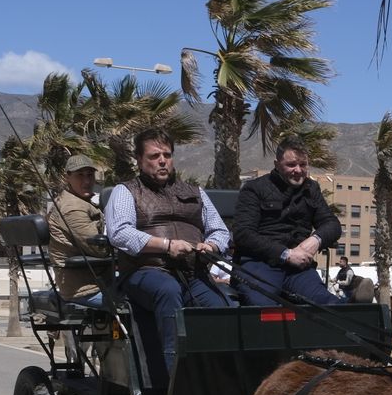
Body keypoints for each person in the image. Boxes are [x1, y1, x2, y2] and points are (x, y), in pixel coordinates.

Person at [104, 127, 234, 380]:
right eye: (154, 156)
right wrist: (166, 245)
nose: (162, 160)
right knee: (168, 290)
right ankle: (174, 380)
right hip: (145, 271)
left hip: (193, 273)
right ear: (139, 160)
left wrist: (211, 246)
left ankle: (219, 379)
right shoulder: (126, 191)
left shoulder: (195, 192)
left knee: (219, 307)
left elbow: (219, 229)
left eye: (167, 154)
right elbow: (119, 233)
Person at [231, 138, 341, 306]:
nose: (298, 170)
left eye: (303, 165)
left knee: (329, 305)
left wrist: (315, 240)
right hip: (260, 265)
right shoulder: (254, 189)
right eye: (291, 165)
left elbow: (332, 224)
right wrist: (286, 254)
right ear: (277, 164)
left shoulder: (311, 189)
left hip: (298, 271)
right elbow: (243, 234)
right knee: (263, 309)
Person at [47, 153, 110, 308]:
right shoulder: (73, 208)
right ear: (67, 177)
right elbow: (99, 249)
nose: (87, 181)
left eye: (90, 175)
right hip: (86, 288)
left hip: (94, 280)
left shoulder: (81, 201)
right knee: (148, 297)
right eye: (80, 175)